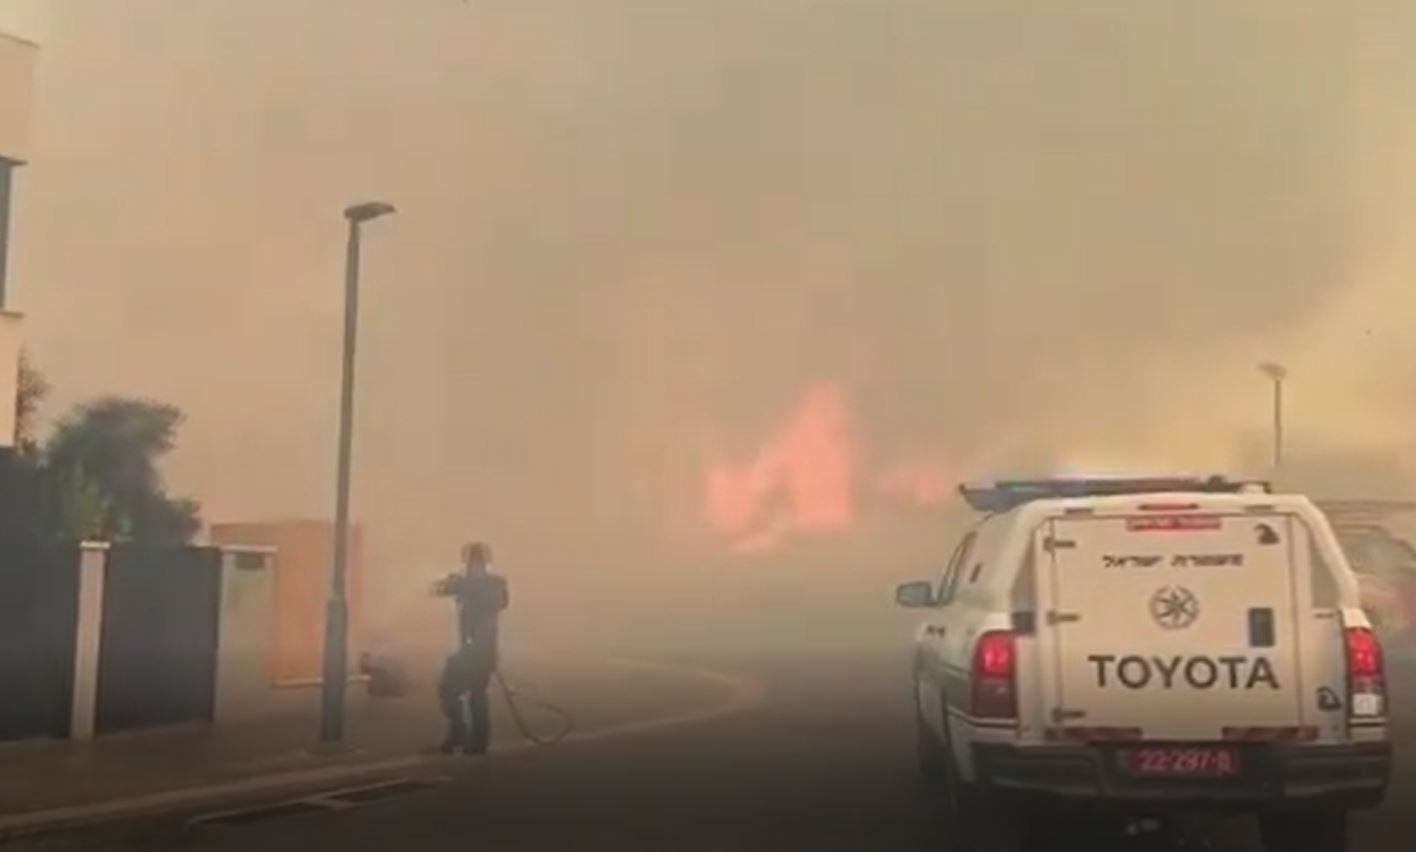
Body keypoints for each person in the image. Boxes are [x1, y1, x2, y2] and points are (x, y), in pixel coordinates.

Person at [432, 541, 509, 755]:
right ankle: (461, 734)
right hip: (469, 650)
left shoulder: (493, 584)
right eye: (470, 563)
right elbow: (439, 589)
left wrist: (464, 585)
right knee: (451, 689)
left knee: (475, 694)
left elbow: (499, 601)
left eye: (475, 562)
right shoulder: (468, 584)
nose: (472, 567)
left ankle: (475, 740)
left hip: (482, 651)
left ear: (483, 564)